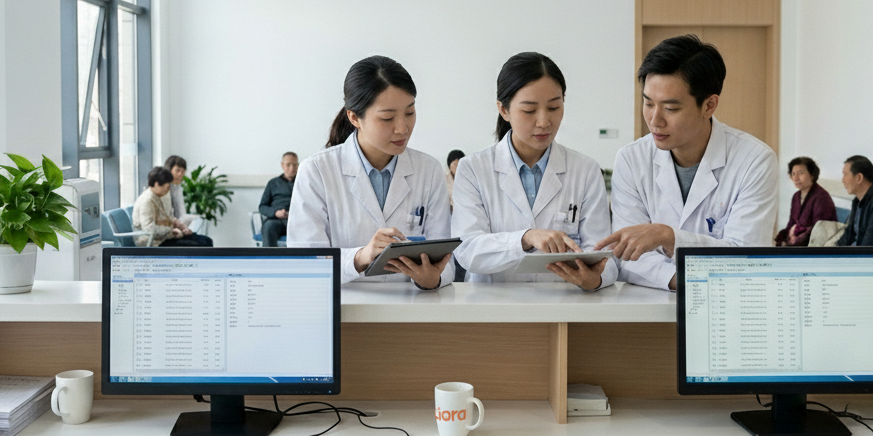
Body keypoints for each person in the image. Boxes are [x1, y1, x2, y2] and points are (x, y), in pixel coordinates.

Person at [595, 34, 779, 290]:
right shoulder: (632, 158)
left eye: (670, 109)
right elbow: (627, 256)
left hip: (728, 307)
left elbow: (747, 256)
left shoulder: (755, 161)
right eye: (648, 103)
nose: (655, 120)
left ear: (709, 105)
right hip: (649, 305)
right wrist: (682, 280)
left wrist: (668, 237)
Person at [452, 52, 619, 291]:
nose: (544, 121)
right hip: (492, 308)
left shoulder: (585, 170)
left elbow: (604, 254)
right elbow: (468, 251)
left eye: (554, 107)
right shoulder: (473, 169)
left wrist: (595, 278)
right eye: (529, 111)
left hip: (566, 304)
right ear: (504, 110)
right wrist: (525, 238)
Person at [287, 56, 455, 289]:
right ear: (354, 117)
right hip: (345, 309)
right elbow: (304, 262)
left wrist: (433, 279)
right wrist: (360, 257)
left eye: (409, 113)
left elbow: (445, 259)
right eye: (387, 118)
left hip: (412, 311)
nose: (402, 128)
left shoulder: (429, 170)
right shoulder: (316, 171)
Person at [133, 166, 213, 247]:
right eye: (167, 187)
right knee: (201, 245)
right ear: (157, 184)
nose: (168, 190)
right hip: (155, 242)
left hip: (164, 237)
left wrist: (181, 227)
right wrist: (171, 231)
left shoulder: (157, 196)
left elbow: (166, 218)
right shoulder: (147, 200)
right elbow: (149, 229)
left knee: (207, 240)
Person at [775, 156, 837, 246]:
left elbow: (819, 231)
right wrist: (785, 237)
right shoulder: (796, 196)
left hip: (815, 246)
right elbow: (791, 223)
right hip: (798, 243)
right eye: (793, 174)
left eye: (801, 173)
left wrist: (795, 237)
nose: (796, 178)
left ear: (812, 174)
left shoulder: (821, 197)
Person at [256, 151, 298, 246]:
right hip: (276, 221)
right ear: (282, 165)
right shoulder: (273, 183)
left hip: (296, 221)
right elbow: (262, 206)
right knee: (269, 226)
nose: (292, 168)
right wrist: (276, 213)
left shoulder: (303, 182)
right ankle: (269, 259)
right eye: (288, 165)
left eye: (294, 165)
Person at [163, 155, 207, 239]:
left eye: (183, 171)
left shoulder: (177, 188)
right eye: (177, 170)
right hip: (170, 232)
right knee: (203, 242)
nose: (180, 174)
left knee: (205, 239)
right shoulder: (164, 190)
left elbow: (181, 214)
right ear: (169, 170)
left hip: (177, 228)